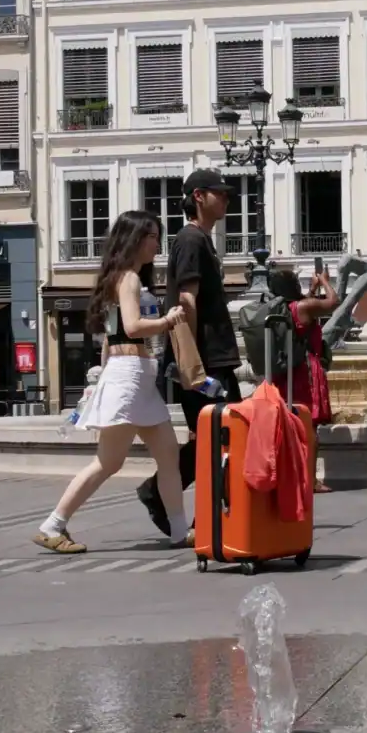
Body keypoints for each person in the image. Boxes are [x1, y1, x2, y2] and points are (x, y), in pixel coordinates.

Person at [34, 211, 190, 554]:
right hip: (132, 374)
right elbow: (133, 328)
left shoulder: (121, 278)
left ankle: (180, 530)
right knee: (112, 462)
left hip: (131, 374)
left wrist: (102, 380)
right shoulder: (130, 279)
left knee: (165, 456)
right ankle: (53, 525)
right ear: (134, 238)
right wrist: (169, 319)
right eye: (151, 235)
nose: (157, 242)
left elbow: (110, 339)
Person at [136, 168, 244, 536]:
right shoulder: (190, 240)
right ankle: (193, 510)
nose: (227, 198)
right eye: (221, 193)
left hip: (212, 358)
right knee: (221, 437)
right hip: (206, 361)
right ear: (199, 196)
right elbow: (186, 300)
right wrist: (193, 364)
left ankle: (179, 503)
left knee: (214, 438)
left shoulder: (200, 240)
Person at [267, 267, 338, 494]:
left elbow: (305, 305)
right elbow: (333, 303)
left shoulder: (286, 308)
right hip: (306, 370)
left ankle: (288, 476)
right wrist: (326, 282)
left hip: (287, 371)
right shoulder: (304, 307)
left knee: (290, 425)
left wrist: (313, 289)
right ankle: (311, 479)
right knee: (309, 427)